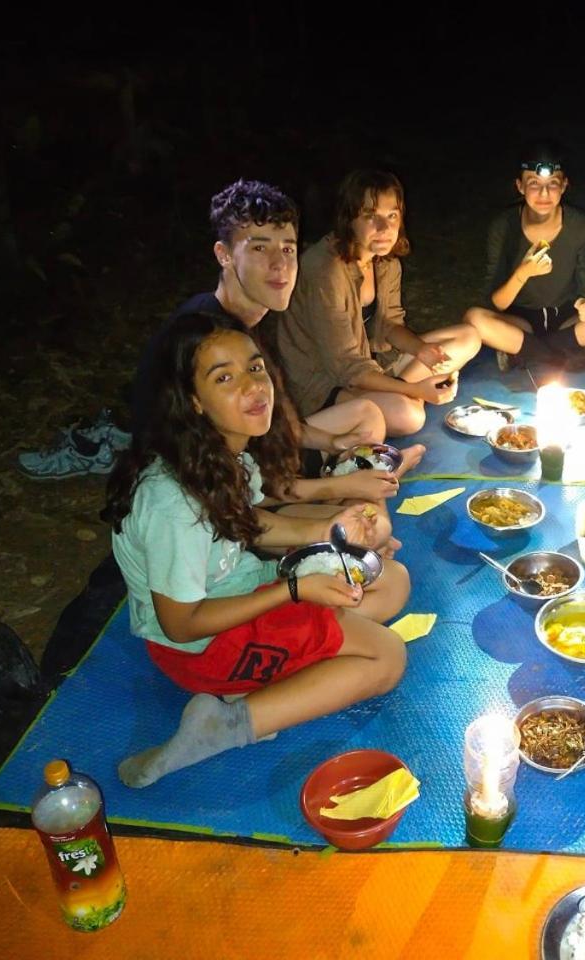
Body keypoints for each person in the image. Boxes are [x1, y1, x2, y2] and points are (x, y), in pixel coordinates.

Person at [105, 312, 408, 788]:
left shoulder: (220, 452)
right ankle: (226, 725)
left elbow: (245, 522)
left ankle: (292, 662)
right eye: (223, 378)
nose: (252, 385)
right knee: (387, 658)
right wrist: (294, 590)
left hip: (242, 589)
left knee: (392, 582)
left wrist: (328, 528)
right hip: (203, 648)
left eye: (254, 367)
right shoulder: (172, 503)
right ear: (193, 400)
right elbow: (180, 625)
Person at [130, 180, 415, 547]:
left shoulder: (244, 322)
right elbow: (244, 485)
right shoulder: (212, 342)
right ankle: (348, 512)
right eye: (260, 248)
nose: (280, 264)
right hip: (210, 501)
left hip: (254, 463)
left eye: (288, 248)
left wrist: (334, 441)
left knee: (368, 416)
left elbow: (281, 424)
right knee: (373, 530)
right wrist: (343, 486)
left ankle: (353, 502)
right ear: (224, 255)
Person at [276, 169, 482, 436]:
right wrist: (415, 390)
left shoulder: (385, 261)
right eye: (370, 216)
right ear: (349, 219)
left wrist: (421, 350)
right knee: (410, 416)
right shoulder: (325, 271)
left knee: (469, 337)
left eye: (392, 215)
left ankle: (394, 392)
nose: (385, 228)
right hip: (326, 382)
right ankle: (397, 395)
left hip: (373, 363)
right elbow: (346, 367)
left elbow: (389, 324)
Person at [463, 144, 585, 370]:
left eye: (552, 183)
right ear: (520, 186)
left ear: (564, 186)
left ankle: (527, 352)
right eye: (534, 183)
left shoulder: (581, 225)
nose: (544, 194)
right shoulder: (504, 226)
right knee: (474, 319)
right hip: (521, 323)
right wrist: (522, 274)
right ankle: (561, 354)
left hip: (568, 320)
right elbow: (495, 302)